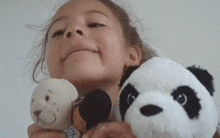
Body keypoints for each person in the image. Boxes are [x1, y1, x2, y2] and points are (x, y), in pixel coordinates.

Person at [28, 0, 156, 137]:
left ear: (131, 56)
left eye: (95, 24)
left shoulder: (161, 119)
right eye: (58, 32)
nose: (72, 30)